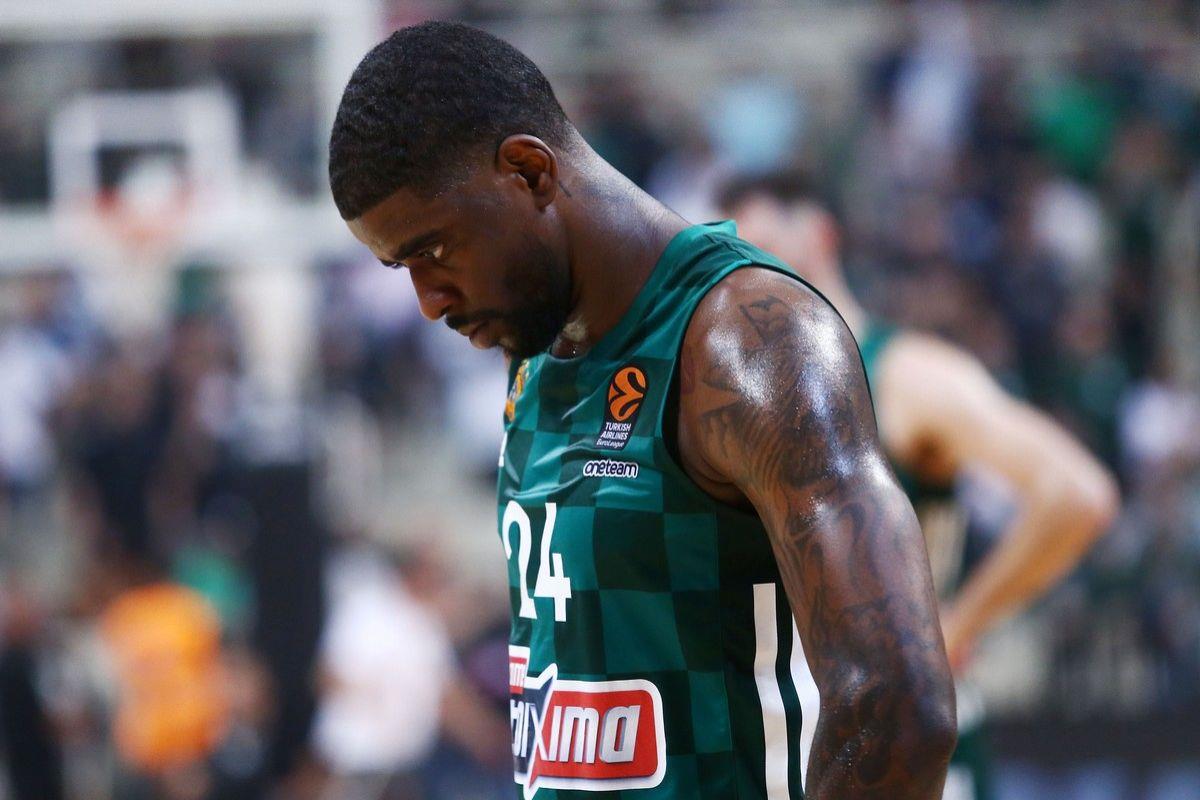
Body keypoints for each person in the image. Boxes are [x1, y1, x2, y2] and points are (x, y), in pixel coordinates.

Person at [329, 22, 956, 799]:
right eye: (401, 267)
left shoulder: (748, 339)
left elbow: (899, 712)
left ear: (528, 171)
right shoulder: (535, 347)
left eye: (433, 251)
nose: (427, 301)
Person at [718, 171, 1120, 800]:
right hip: (794, 744)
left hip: (909, 745)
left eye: (762, 245)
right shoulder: (744, 392)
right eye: (732, 255)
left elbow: (1076, 494)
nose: (747, 272)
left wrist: (959, 626)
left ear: (820, 235)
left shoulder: (904, 372)